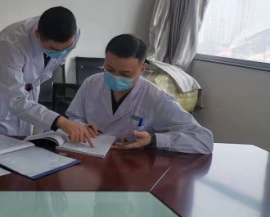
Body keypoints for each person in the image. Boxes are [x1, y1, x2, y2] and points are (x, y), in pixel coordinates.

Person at [66, 34, 214, 154]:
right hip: (90, 155)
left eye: (125, 74)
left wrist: (153, 140)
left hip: (132, 166)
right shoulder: (91, 83)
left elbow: (203, 140)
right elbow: (73, 116)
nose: (116, 77)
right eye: (109, 70)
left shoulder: (157, 99)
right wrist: (81, 126)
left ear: (142, 69)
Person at [0, 6, 96, 145]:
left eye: (67, 48)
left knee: (24, 142)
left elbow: (51, 64)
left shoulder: (73, 33)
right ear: (37, 34)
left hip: (30, 86)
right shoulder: (11, 43)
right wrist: (61, 122)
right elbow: (16, 100)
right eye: (54, 49)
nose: (61, 53)